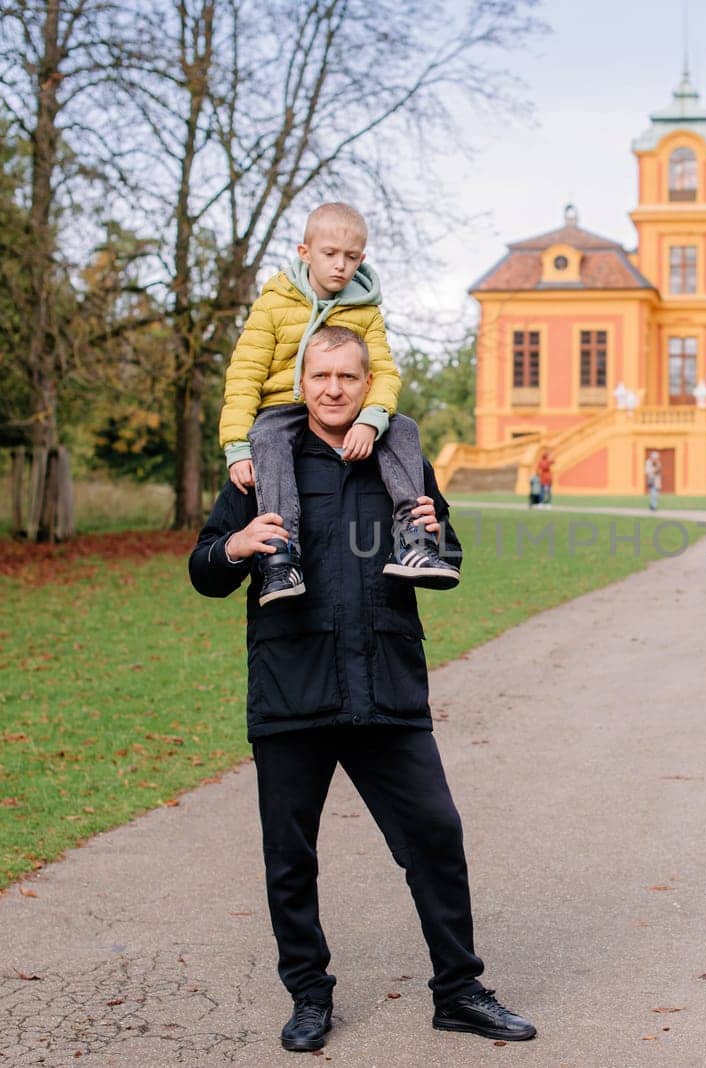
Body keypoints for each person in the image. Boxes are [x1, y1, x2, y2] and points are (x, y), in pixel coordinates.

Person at [190, 326, 536, 1053]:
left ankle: (459, 990)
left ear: (366, 381)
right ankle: (308, 997)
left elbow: (448, 555)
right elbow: (204, 569)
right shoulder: (260, 464)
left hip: (386, 687)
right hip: (293, 689)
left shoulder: (400, 458)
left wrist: (437, 532)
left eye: (349, 376)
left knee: (436, 837)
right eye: (321, 375)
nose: (334, 389)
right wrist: (236, 546)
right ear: (301, 380)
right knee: (291, 857)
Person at [219, 201, 458, 605]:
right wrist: (236, 445)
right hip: (282, 406)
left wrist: (370, 418)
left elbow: (383, 373)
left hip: (350, 413)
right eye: (330, 254)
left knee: (402, 427)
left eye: (351, 257)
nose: (340, 266)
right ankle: (281, 554)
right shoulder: (274, 303)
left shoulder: (365, 309)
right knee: (267, 437)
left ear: (362, 258)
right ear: (305, 253)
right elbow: (244, 375)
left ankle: (413, 537)